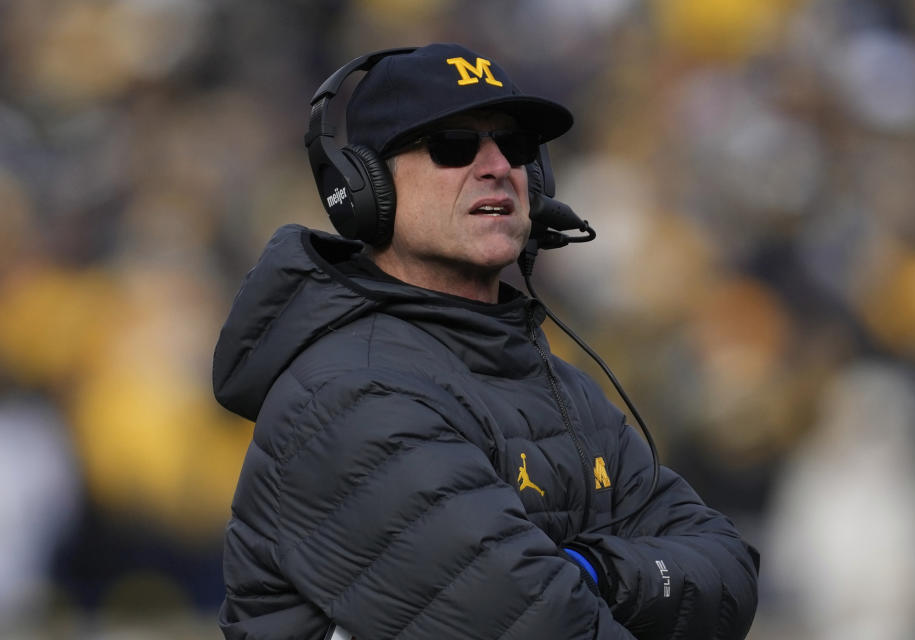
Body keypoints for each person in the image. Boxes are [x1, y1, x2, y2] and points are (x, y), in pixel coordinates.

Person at [212, 43, 759, 639]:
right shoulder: (347, 395)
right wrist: (616, 581)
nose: (498, 165)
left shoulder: (554, 380)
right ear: (366, 188)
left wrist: (594, 570)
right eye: (453, 145)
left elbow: (731, 572)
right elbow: (540, 625)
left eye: (516, 146)